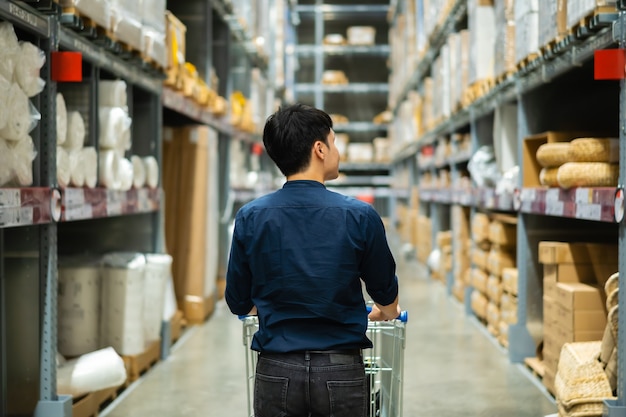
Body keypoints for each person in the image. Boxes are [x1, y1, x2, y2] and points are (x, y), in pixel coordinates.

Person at [225, 103, 400, 417]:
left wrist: (274, 307)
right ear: (320, 149)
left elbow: (238, 300)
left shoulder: (251, 217)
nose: (336, 150)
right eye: (334, 142)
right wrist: (386, 311)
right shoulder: (359, 215)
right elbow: (384, 291)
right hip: (340, 369)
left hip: (276, 368)